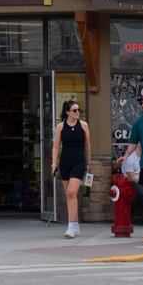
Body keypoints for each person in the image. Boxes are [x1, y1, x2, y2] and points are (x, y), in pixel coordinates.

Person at [50, 99, 92, 238]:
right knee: (69, 195)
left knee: (71, 192)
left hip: (79, 161)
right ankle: (75, 225)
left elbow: (87, 145)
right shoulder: (61, 127)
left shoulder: (84, 125)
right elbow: (56, 146)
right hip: (65, 161)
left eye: (79, 110)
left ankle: (71, 225)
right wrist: (54, 164)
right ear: (68, 112)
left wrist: (88, 163)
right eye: (74, 110)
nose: (77, 112)